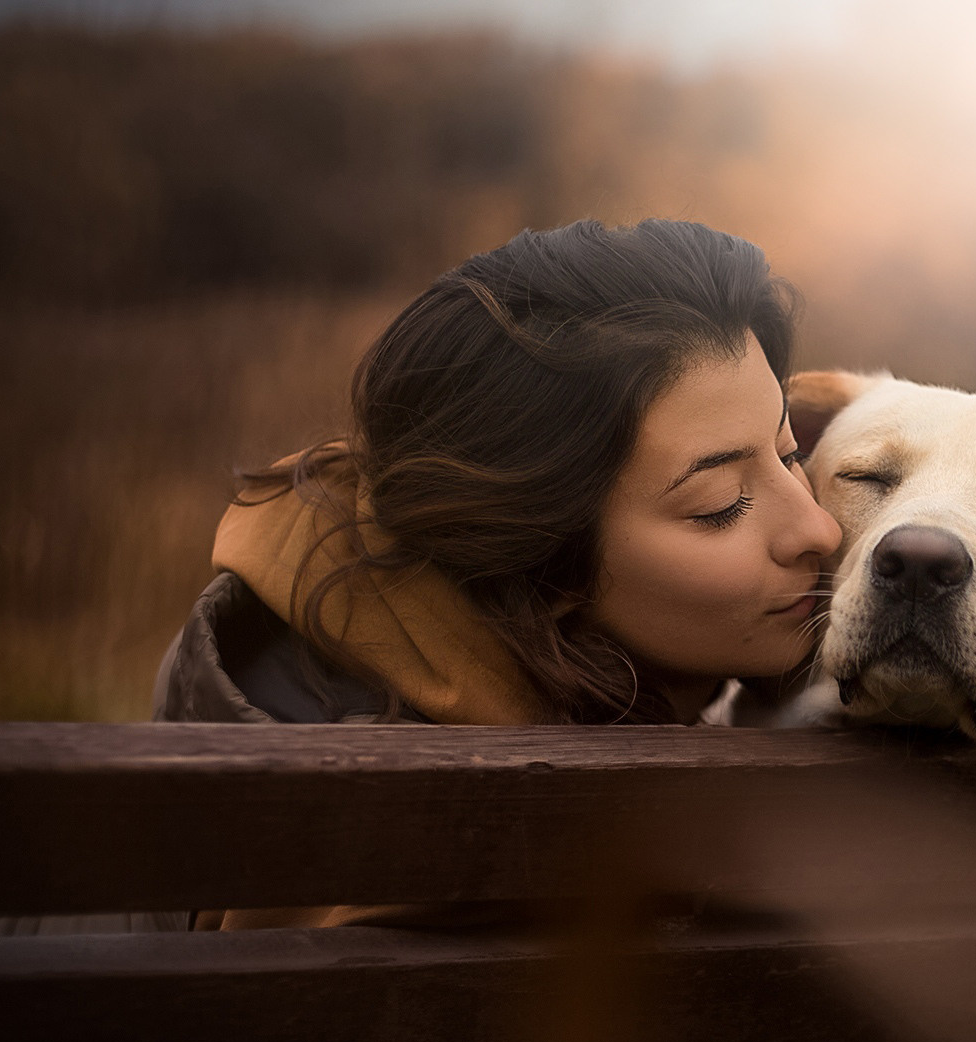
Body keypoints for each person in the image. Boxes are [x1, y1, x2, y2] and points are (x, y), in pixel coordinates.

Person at [154, 217, 841, 929]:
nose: (818, 529)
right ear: (542, 563)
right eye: (720, 505)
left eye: (789, 453)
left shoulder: (264, 630)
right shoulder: (467, 878)